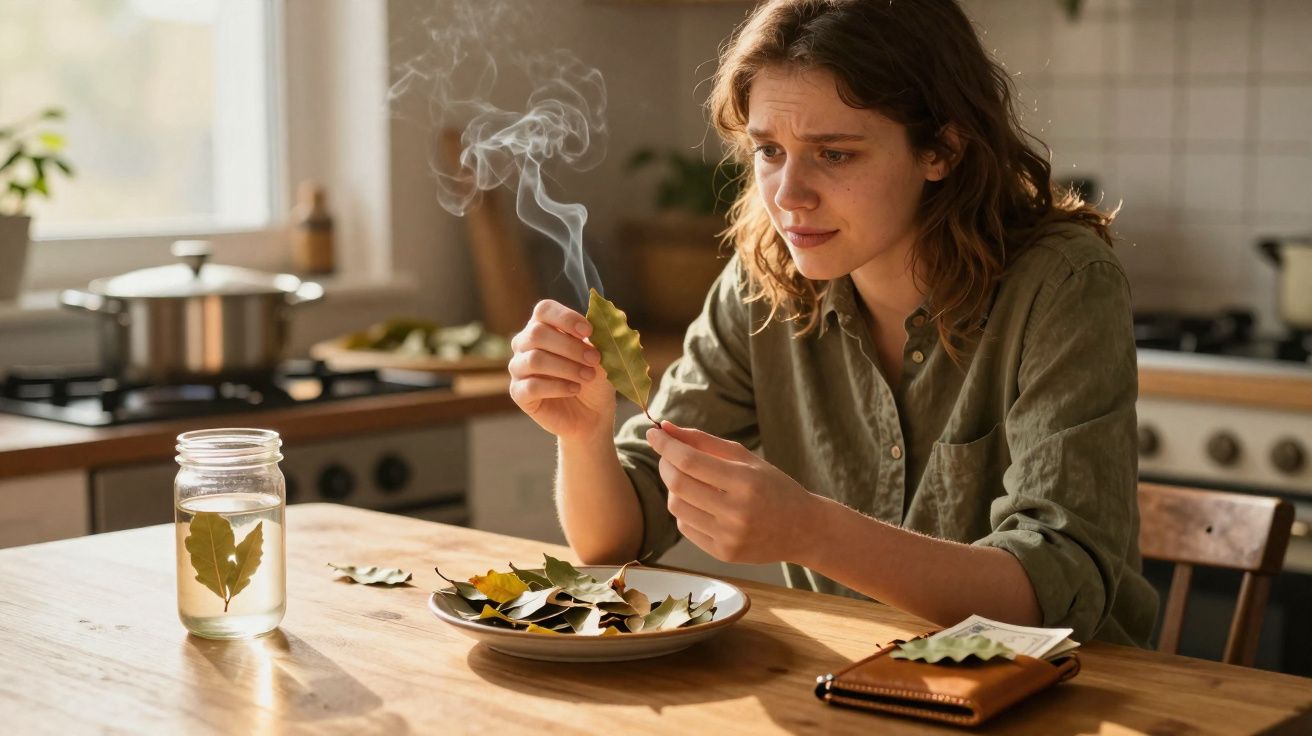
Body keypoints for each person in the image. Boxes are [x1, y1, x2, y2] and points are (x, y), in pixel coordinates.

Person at [506, 0, 1158, 646]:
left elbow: (1057, 589)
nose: (788, 195)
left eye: (835, 154)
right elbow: (616, 538)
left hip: (1068, 700)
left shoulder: (1062, 284)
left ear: (942, 149)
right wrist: (586, 433)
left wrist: (811, 530)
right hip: (854, 691)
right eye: (768, 150)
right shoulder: (764, 280)